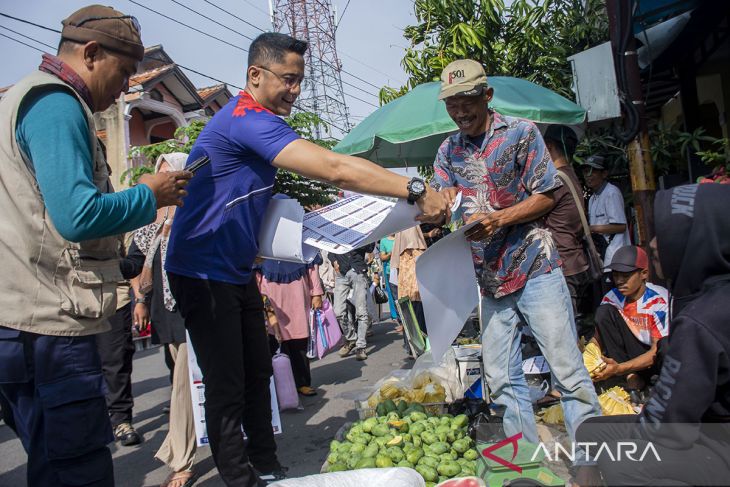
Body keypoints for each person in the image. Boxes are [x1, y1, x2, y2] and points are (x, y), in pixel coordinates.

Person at [164, 32, 448, 487]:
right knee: (227, 382)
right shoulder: (245, 118)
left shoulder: (256, 121)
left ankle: (265, 459)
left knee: (257, 367)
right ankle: (240, 479)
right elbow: (333, 168)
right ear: (255, 75)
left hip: (236, 269)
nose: (296, 90)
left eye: (300, 80)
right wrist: (413, 188)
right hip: (200, 270)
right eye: (289, 79)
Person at [0, 5, 190, 486]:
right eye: (123, 72)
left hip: (20, 320)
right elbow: (77, 214)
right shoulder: (56, 103)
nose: (124, 87)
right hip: (49, 326)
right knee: (76, 470)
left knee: (50, 462)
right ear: (90, 53)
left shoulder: (16, 101)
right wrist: (150, 195)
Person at [431, 59, 601, 445]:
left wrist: (501, 218)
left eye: (467, 100)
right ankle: (527, 461)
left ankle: (594, 464)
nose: (459, 111)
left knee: (567, 372)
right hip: (489, 280)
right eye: (451, 104)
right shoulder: (448, 151)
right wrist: (435, 208)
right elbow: (442, 199)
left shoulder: (522, 133)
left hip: (535, 267)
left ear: (487, 96)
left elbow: (546, 195)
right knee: (501, 379)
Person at [575, 183, 730, 486]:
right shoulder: (711, 295)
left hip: (718, 443)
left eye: (669, 233)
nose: (655, 245)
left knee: (622, 458)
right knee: (590, 431)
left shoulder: (700, 321)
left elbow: (667, 427)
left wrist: (644, 412)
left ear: (698, 238)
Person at [129, 153, 198, 487]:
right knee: (183, 382)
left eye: (172, 174)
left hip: (192, 309)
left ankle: (181, 458)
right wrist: (140, 299)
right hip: (164, 313)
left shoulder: (194, 211)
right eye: (162, 176)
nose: (167, 181)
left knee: (183, 387)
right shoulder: (149, 219)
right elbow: (133, 262)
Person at [590, 245, 668, 392]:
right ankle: (631, 377)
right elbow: (598, 338)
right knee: (603, 312)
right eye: (615, 275)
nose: (619, 281)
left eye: (625, 276)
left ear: (644, 274)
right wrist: (586, 355)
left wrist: (619, 368)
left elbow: (656, 351)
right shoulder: (611, 297)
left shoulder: (658, 301)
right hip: (628, 357)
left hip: (653, 357)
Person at [543, 125, 593, 339]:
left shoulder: (555, 180)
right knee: (570, 327)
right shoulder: (571, 176)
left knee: (564, 334)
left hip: (563, 263)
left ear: (549, 146)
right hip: (575, 260)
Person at [96, 238, 145, 448]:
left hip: (115, 297)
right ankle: (92, 421)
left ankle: (121, 420)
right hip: (71, 301)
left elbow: (132, 252)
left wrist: (140, 299)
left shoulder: (116, 206)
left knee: (116, 361)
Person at [257, 253, 324, 396]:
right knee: (270, 342)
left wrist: (316, 294)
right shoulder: (261, 235)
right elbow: (255, 270)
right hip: (270, 297)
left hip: (297, 294)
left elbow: (312, 265)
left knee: (299, 342)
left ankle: (302, 383)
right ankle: (270, 386)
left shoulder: (300, 236)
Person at [582, 155, 630, 293]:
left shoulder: (611, 193)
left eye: (593, 171)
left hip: (616, 257)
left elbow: (621, 226)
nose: (588, 176)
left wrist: (590, 229)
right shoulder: (592, 198)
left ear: (604, 174)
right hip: (602, 258)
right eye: (586, 172)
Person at [330, 243, 375, 361]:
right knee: (338, 311)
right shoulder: (335, 226)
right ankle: (351, 338)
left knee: (361, 311)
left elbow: (369, 246)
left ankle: (361, 346)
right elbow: (330, 250)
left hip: (358, 270)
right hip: (341, 273)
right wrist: (334, 261)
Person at [378, 234, 401, 330]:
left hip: (402, 269)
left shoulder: (400, 237)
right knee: (395, 296)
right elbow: (382, 257)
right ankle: (399, 320)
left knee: (403, 295)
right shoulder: (383, 240)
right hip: (390, 271)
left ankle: (405, 321)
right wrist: (390, 254)